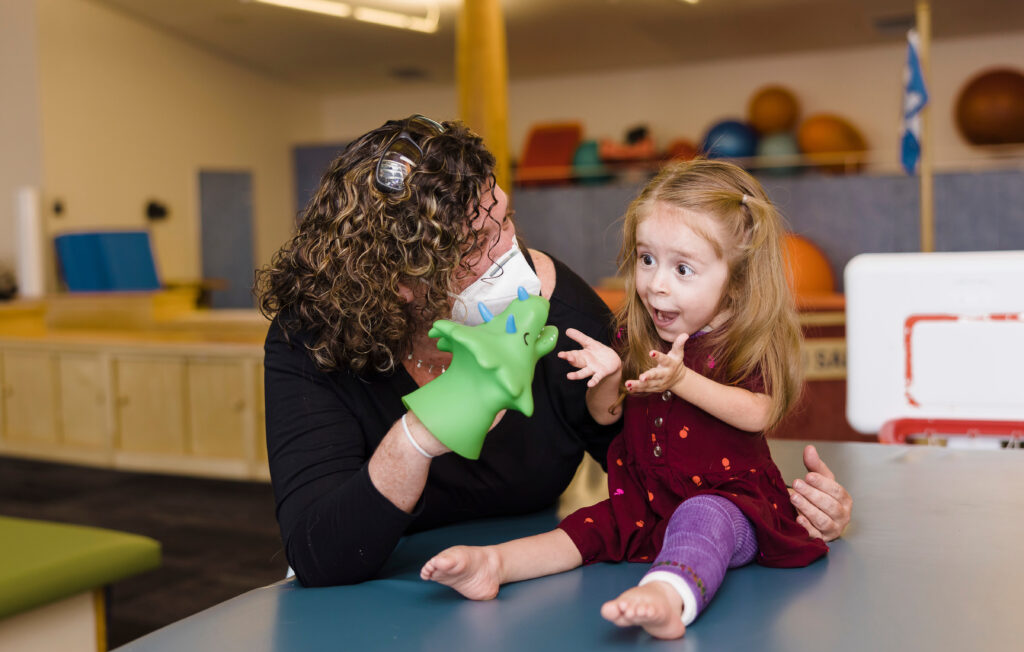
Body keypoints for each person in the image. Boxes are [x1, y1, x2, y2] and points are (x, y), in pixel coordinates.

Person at [256, 115, 852, 589]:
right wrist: (418, 437)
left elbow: (654, 471)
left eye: (506, 218)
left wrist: (781, 514)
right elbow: (321, 556)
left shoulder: (564, 316)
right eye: (478, 245)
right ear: (404, 281)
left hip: (518, 591)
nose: (510, 250)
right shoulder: (312, 341)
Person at [422, 159, 830, 640]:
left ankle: (669, 593)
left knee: (702, 518)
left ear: (736, 281)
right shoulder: (634, 332)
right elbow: (608, 416)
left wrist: (680, 379)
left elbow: (758, 411)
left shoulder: (742, 343)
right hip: (645, 500)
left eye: (683, 268)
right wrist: (609, 378)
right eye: (646, 259)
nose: (657, 283)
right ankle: (494, 564)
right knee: (584, 527)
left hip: (731, 505)